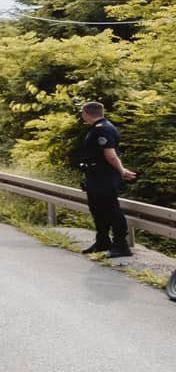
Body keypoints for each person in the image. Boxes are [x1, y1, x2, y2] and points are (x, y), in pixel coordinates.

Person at [76, 100, 139, 258]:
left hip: (104, 176)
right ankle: (102, 241)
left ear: (86, 113)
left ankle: (121, 245)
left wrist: (121, 170)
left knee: (111, 209)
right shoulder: (99, 128)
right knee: (97, 209)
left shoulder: (102, 129)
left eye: (83, 113)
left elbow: (110, 155)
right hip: (95, 175)